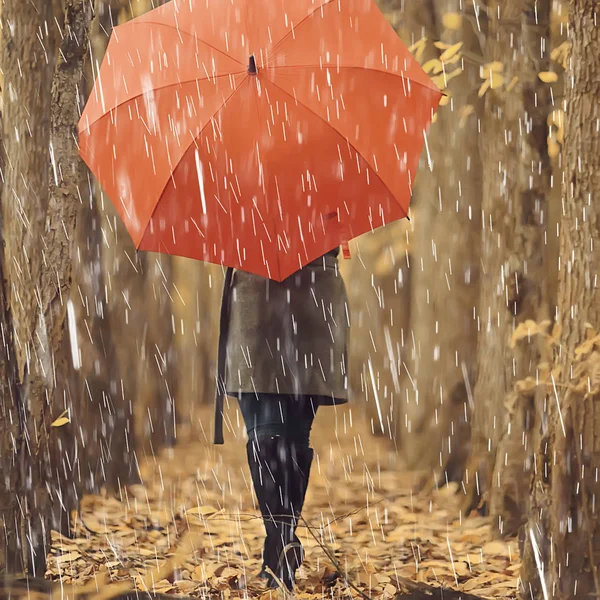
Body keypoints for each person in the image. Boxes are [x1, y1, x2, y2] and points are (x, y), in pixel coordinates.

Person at [214, 246, 349, 590]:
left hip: (277, 299)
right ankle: (282, 542)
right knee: (285, 437)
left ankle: (279, 543)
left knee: (273, 434)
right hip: (305, 295)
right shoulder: (329, 194)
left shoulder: (236, 197)